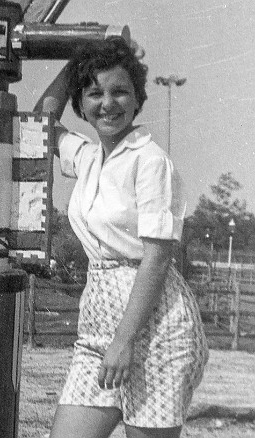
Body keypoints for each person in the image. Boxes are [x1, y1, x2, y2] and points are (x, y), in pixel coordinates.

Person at [34, 38, 209, 438]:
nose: (108, 103)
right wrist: (77, 58)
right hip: (97, 326)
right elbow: (40, 120)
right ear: (80, 102)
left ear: (137, 99)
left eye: (120, 92)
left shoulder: (150, 162)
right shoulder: (88, 157)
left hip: (157, 330)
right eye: (94, 93)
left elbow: (157, 259)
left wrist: (123, 342)